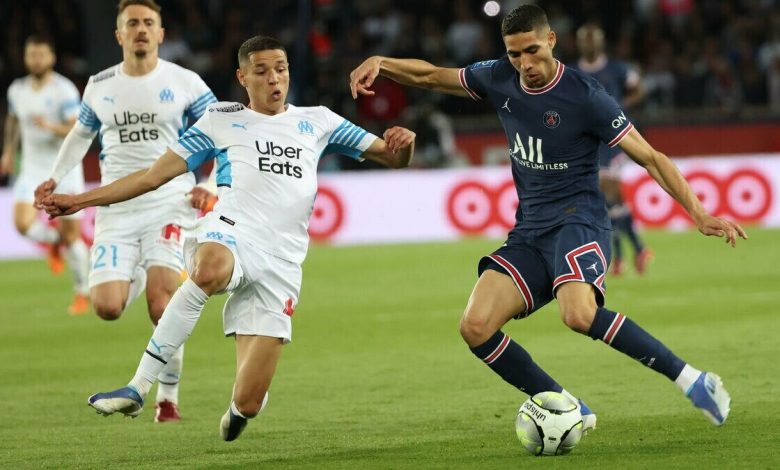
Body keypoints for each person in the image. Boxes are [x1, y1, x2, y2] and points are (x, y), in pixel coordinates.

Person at [349, 4, 746, 429]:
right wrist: (382, 63)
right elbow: (431, 76)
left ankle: (694, 380)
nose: (524, 64)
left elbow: (650, 157)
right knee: (475, 326)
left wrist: (699, 212)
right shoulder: (498, 77)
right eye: (514, 54)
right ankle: (570, 407)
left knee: (578, 314)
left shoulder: (585, 95)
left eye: (532, 51)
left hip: (579, 221)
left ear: (551, 40)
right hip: (530, 231)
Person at [42, 35, 416, 441]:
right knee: (209, 269)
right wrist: (80, 201)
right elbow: (151, 177)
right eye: (262, 71)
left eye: (281, 69)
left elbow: (393, 158)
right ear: (242, 77)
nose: (274, 79)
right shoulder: (220, 119)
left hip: (282, 262)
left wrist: (405, 145)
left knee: (249, 402)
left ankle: (238, 410)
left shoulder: (319, 121)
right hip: (231, 232)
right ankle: (139, 386)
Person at [34, 0, 218, 422]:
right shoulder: (100, 85)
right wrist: (55, 177)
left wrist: (209, 185)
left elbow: (222, 133)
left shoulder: (185, 82)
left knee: (161, 303)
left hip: (170, 201)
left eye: (148, 22)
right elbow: (80, 135)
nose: (141, 29)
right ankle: (140, 269)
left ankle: (167, 398)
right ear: (119, 34)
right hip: (115, 205)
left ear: (161, 33)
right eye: (132, 23)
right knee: (107, 307)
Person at [1, 35, 90, 315]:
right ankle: (54, 243)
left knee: (72, 236)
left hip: (64, 169)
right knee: (22, 224)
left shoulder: (64, 90)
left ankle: (82, 293)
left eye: (41, 55)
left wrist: (50, 127)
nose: (36, 60)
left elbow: (76, 129)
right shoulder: (17, 90)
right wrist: (7, 152)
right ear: (25, 57)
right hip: (32, 168)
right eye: (32, 55)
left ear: (52, 58)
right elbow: (13, 120)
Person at [571, 23, 652, 275]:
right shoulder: (571, 72)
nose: (589, 44)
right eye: (585, 40)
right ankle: (635, 250)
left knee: (606, 194)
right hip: (589, 141)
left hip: (614, 140)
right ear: (579, 44)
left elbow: (639, 89)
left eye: (593, 40)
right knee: (609, 200)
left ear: (601, 42)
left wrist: (619, 106)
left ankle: (622, 256)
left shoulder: (617, 68)